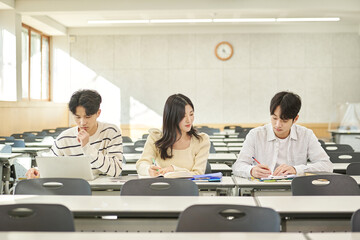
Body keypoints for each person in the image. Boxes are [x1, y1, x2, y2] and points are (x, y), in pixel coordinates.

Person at [232, 91, 333, 178]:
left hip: (294, 191)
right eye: (274, 118)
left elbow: (327, 166)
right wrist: (251, 170)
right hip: (262, 189)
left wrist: (296, 169)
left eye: (284, 120)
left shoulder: (306, 135)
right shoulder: (256, 135)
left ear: (295, 119)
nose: (277, 125)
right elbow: (238, 166)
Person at [26, 89, 123, 178]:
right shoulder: (64, 138)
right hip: (72, 191)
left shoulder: (111, 132)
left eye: (87, 117)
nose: (82, 122)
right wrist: (37, 171)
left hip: (104, 191)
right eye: (77, 117)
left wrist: (87, 148)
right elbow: (50, 166)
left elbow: (115, 171)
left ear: (98, 113)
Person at [136, 94, 210, 177]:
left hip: (189, 189)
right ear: (172, 117)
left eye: (191, 114)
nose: (189, 120)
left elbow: (198, 174)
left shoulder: (201, 141)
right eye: (183, 116)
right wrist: (148, 169)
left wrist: (174, 169)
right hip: (162, 188)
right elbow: (141, 164)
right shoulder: (155, 138)